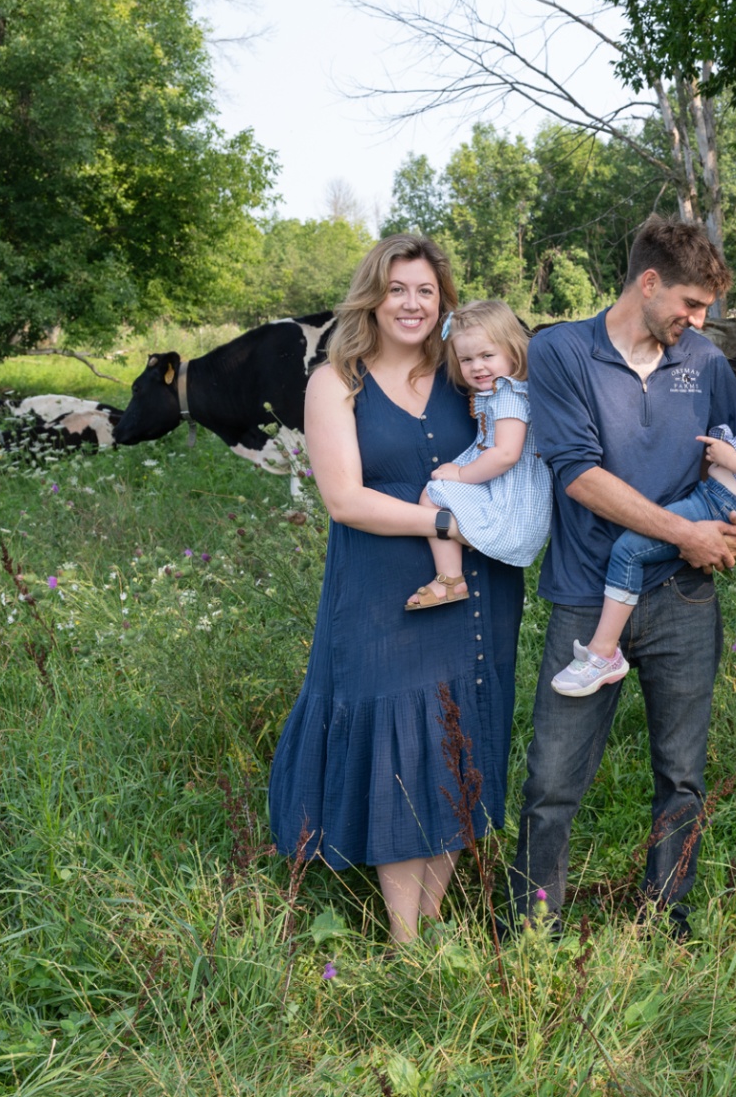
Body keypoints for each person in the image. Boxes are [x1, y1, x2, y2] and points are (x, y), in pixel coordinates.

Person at [509, 217, 736, 939]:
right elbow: (580, 476)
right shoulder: (562, 349)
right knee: (553, 779)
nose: (696, 322)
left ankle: (666, 921)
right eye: (690, 305)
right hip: (587, 595)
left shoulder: (704, 364)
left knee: (682, 775)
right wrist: (685, 532)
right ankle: (535, 929)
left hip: (685, 598)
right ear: (648, 282)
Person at [268, 235, 526, 946]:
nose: (412, 303)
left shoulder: (465, 373)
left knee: (455, 737)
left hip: (477, 588)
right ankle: (406, 938)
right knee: (398, 744)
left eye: (426, 290)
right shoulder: (335, 382)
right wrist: (445, 519)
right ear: (371, 297)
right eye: (398, 289)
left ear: (443, 299)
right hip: (384, 593)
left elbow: (517, 441)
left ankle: (435, 918)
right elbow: (345, 499)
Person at [550, 309, 736, 694]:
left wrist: (728, 457)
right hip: (710, 498)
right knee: (634, 547)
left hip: (717, 506)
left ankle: (604, 652)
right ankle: (605, 649)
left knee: (628, 551)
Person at [405, 299, 551, 609]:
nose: (477, 366)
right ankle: (453, 575)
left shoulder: (509, 394)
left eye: (487, 355)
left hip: (513, 498)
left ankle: (450, 578)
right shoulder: (502, 391)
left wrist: (461, 474)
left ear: (512, 350)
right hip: (509, 489)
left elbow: (506, 454)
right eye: (466, 359)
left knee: (434, 494)